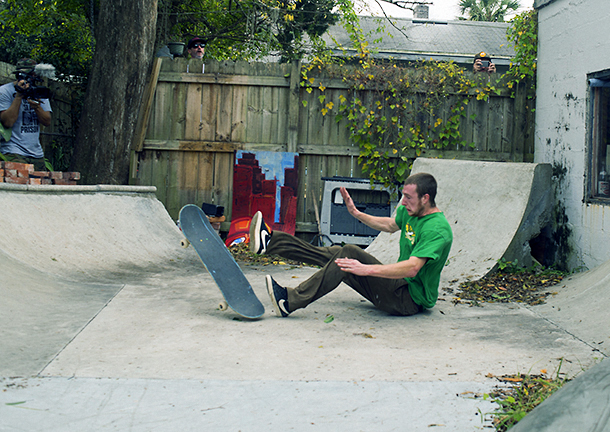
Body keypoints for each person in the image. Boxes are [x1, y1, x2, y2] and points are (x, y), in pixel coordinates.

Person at [249, 172, 453, 317]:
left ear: (425, 198)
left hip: (408, 300)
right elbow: (390, 225)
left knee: (348, 253)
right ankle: (271, 241)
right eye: (403, 196)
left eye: (408, 197)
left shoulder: (436, 230)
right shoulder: (411, 212)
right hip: (397, 288)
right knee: (338, 253)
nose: (403, 202)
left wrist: (366, 269)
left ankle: (290, 300)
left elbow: (412, 268)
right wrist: (356, 214)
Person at [0, 58, 52, 171]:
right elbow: (7, 122)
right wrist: (19, 95)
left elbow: (47, 121)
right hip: (13, 150)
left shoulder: (38, 91)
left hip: (36, 153)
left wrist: (37, 107)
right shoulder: (5, 91)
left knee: (40, 185)